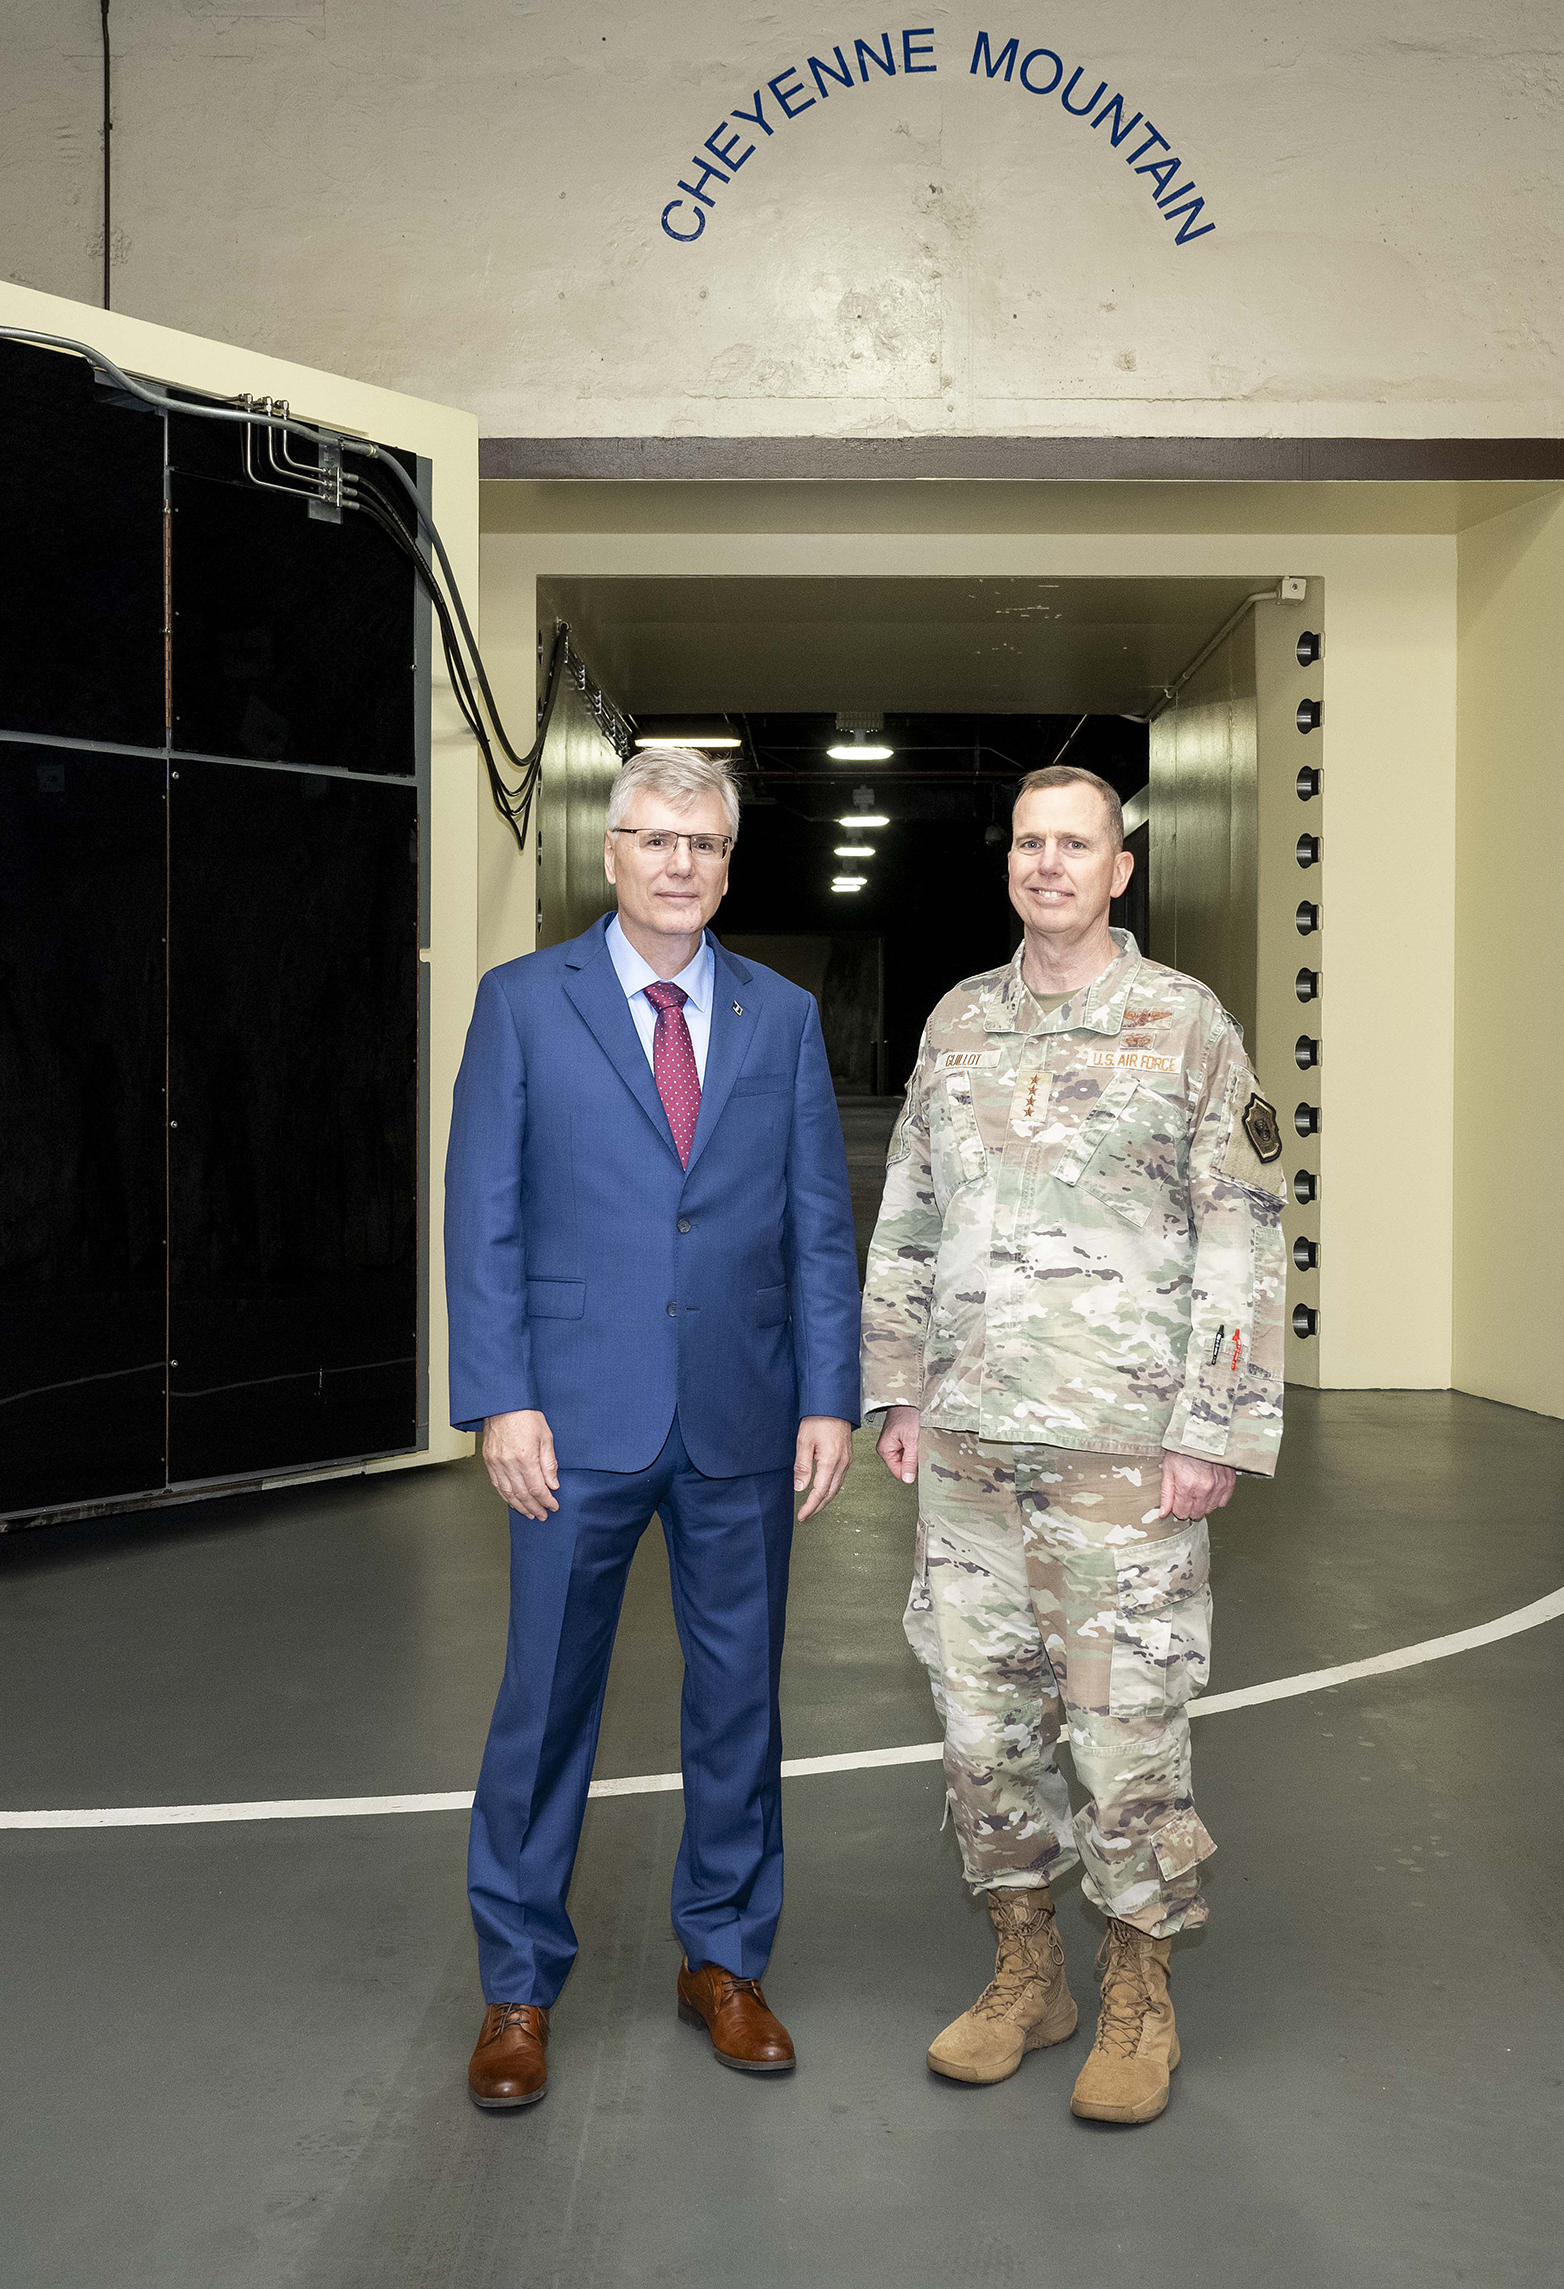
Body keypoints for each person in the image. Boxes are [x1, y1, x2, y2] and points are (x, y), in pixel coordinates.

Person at [860, 763, 1289, 2128]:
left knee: (1126, 1737)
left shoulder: (1183, 1025)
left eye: (1077, 844)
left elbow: (1243, 1231)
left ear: (1120, 868)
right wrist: (899, 1388)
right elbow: (910, 1214)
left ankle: (1139, 1995)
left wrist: (1212, 1425)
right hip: (975, 1447)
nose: (1050, 864)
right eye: (1030, 843)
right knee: (984, 1732)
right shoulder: (959, 1023)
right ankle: (1028, 1974)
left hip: (1124, 1455)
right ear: (1014, 867)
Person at [444, 745, 862, 2112]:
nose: (679, 863)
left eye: (703, 844)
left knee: (736, 1704)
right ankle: (517, 1985)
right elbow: (484, 1216)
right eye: (654, 839)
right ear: (609, 853)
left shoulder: (781, 1018)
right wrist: (501, 1395)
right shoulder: (521, 1005)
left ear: (728, 865)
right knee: (545, 1703)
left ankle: (725, 1962)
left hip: (743, 1415)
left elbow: (815, 1223)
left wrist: (826, 1396)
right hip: (572, 1419)